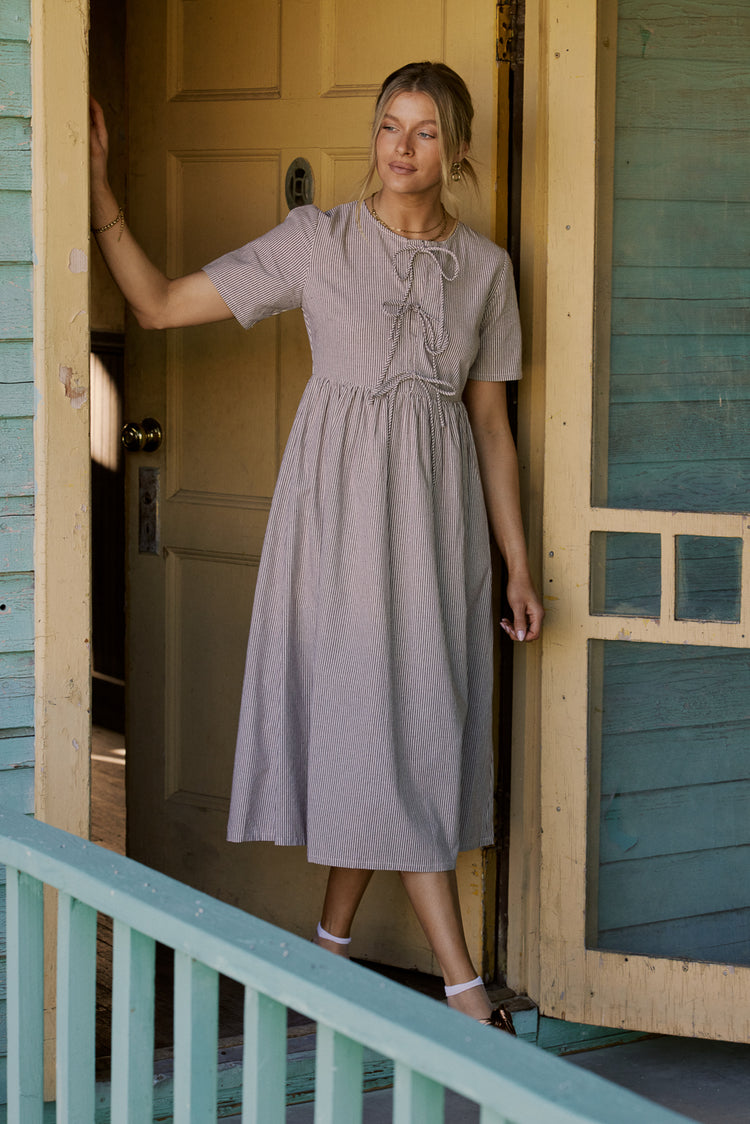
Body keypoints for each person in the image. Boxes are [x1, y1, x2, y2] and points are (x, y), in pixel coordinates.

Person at [90, 60, 543, 1031]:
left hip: (438, 523)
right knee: (386, 731)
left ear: (457, 149)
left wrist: (515, 560)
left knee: (407, 726)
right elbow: (161, 305)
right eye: (389, 126)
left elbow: (494, 424)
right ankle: (466, 988)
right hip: (337, 519)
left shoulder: (489, 271)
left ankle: (324, 955)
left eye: (424, 132)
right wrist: (101, 207)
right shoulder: (319, 241)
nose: (401, 148)